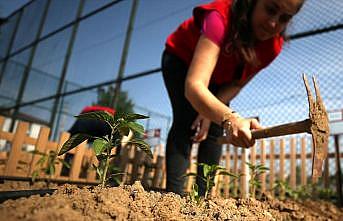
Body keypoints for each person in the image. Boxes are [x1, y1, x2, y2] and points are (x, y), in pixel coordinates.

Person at [161, 0, 305, 196]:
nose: (273, 24)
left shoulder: (273, 47)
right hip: (183, 61)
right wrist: (231, 118)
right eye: (270, 10)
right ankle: (172, 197)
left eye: (284, 18)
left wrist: (212, 113)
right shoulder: (220, 17)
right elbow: (194, 86)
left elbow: (237, 84)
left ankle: (202, 199)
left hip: (221, 79)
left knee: (215, 129)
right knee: (187, 121)